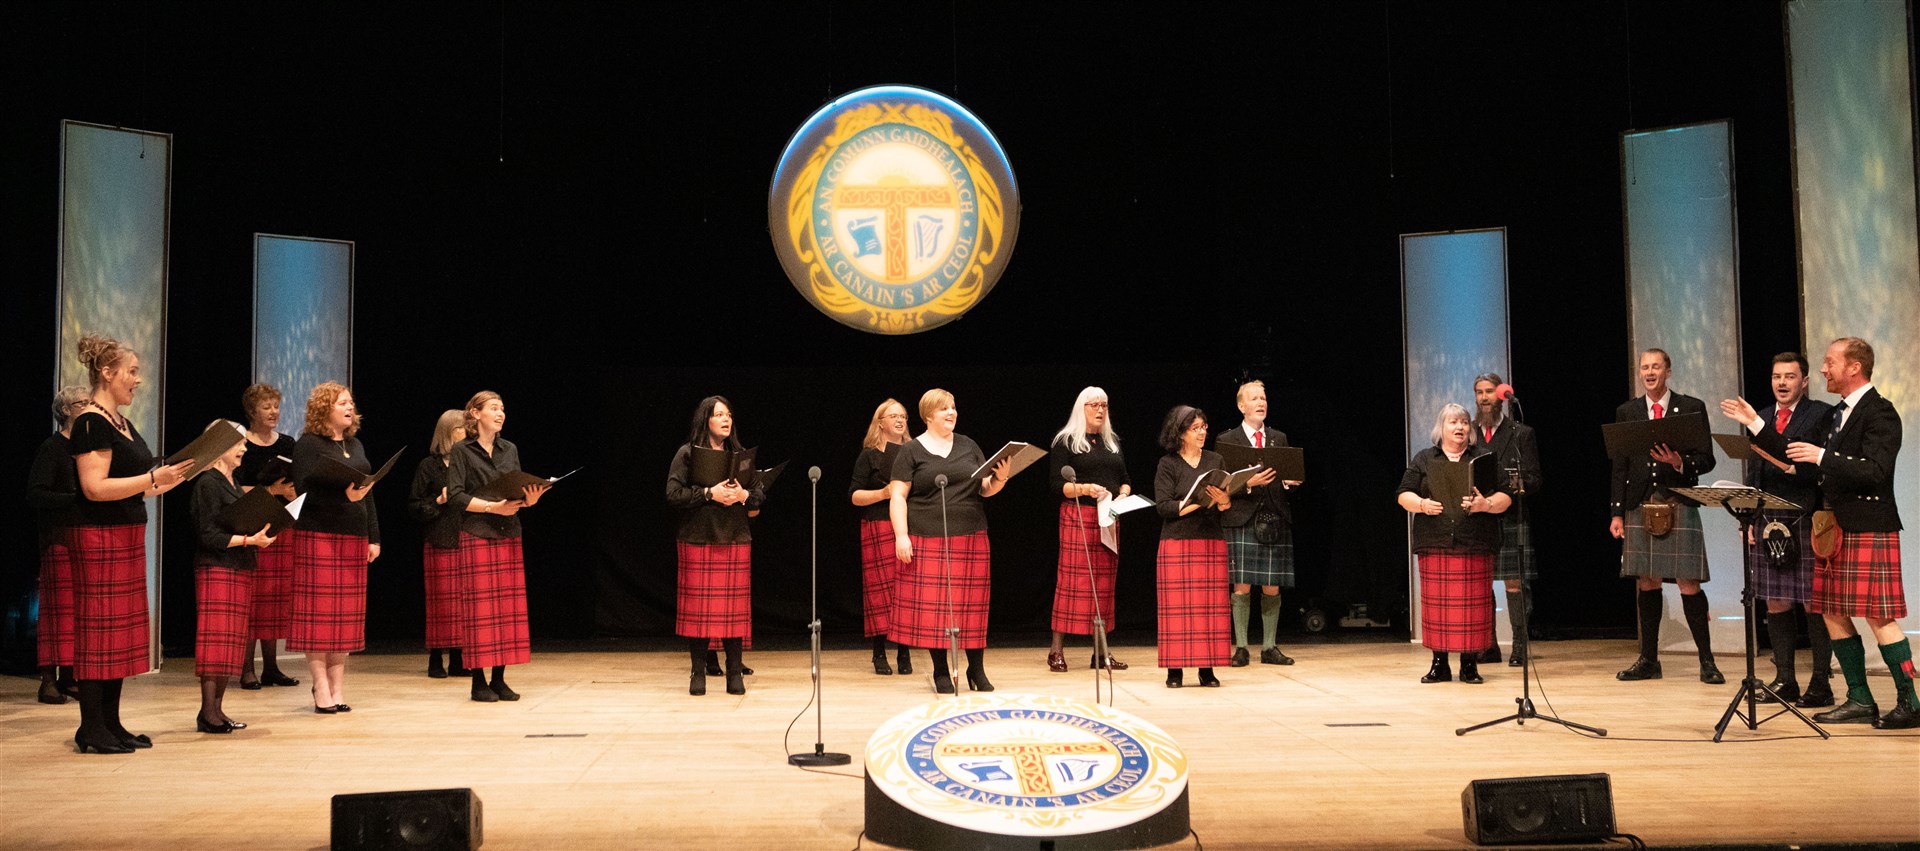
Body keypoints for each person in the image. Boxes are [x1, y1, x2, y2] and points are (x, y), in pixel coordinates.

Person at [1742, 338, 1913, 729]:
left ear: (1854, 367)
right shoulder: (1838, 415)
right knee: (1832, 612)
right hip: (1833, 527)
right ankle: (1859, 698)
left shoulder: (1880, 413)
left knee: (1879, 617)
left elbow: (1875, 471)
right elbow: (1795, 458)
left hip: (1869, 525)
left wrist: (1821, 456)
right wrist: (1756, 423)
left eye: (1829, 362)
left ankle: (1911, 700)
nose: (1823, 369)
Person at [68, 333, 192, 752]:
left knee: (118, 635)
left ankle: (111, 723)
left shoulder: (121, 422)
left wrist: (168, 479)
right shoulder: (90, 421)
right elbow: (94, 487)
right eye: (133, 371)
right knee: (98, 632)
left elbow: (135, 487)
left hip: (125, 532)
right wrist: (152, 479)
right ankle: (91, 728)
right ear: (108, 372)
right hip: (98, 536)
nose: (138, 380)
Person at [1716, 353, 1834, 707]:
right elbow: (1754, 472)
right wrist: (1749, 519)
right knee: (1776, 600)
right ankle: (1785, 680)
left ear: (1805, 380)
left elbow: (1818, 469)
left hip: (1805, 517)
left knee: (1815, 602)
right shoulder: (1763, 416)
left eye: (1790, 376)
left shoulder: (1820, 414)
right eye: (1776, 376)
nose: (1782, 383)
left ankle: (1820, 684)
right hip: (1768, 519)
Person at [889, 388, 1011, 694]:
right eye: (944, 408)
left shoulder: (969, 446)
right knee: (936, 610)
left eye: (954, 407)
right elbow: (898, 496)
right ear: (929, 415)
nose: (952, 413)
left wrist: (1001, 478)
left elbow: (984, 488)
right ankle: (941, 670)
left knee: (972, 606)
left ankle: (976, 670)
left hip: (970, 535)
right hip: (927, 536)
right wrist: (901, 535)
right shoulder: (911, 451)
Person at [1611, 348, 1721, 684]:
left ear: (1668, 371)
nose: (1649, 372)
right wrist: (1616, 513)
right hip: (1639, 505)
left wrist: (1679, 462)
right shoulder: (1627, 411)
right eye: (1644, 367)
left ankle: (1707, 662)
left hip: (1679, 501)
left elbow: (1707, 459)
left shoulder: (1690, 408)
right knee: (1647, 580)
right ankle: (1648, 660)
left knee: (1689, 581)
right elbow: (1620, 465)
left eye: (1656, 366)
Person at [1398, 403, 1511, 684]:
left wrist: (1485, 504)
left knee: (1474, 610)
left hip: (1474, 542)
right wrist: (1422, 504)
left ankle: (1470, 665)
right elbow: (1403, 494)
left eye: (1464, 422)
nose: (1460, 427)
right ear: (1442, 428)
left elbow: (1506, 496)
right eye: (1453, 422)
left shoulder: (1484, 457)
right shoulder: (1425, 459)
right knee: (1438, 610)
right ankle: (1440, 665)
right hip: (1435, 541)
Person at [445, 391, 546, 702]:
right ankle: (478, 681)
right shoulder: (462, 451)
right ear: (475, 414)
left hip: (508, 532)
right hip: (477, 532)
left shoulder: (509, 449)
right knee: (479, 612)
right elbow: (455, 496)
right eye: (493, 408)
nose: (501, 413)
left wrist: (530, 499)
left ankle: (499, 679)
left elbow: (514, 490)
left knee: (505, 611)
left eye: (503, 408)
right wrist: (492, 508)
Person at [289, 382, 381, 714]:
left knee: (345, 618)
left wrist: (374, 536)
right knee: (319, 617)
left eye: (351, 402)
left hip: (353, 535)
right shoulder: (308, 445)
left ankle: (338, 686)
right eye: (342, 402)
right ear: (324, 408)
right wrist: (342, 496)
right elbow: (302, 492)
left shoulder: (355, 444)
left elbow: (367, 492)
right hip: (319, 535)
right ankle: (320, 685)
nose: (349, 406)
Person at [666, 396, 764, 696]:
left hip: (735, 537)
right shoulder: (688, 453)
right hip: (698, 538)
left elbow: (759, 494)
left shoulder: (740, 454)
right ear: (705, 420)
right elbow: (673, 493)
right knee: (698, 614)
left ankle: (735, 671)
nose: (726, 419)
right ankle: (698, 672)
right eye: (719, 414)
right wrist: (710, 493)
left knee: (734, 613)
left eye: (729, 414)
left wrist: (743, 496)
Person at [191, 421, 276, 734]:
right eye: (238, 444)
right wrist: (250, 541)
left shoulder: (232, 480)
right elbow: (207, 535)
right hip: (217, 567)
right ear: (220, 446)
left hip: (239, 567)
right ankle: (207, 713)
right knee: (215, 642)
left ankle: (217, 711)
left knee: (230, 642)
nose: (244, 449)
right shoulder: (207, 483)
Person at [1046, 386, 1133, 673]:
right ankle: (1056, 651)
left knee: (1105, 585)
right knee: (1071, 583)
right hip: (1078, 516)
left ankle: (1101, 653)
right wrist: (1084, 488)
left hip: (1108, 516)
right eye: (1093, 405)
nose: (1099, 410)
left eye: (1104, 405)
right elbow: (1056, 486)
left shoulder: (1112, 442)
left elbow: (1124, 477)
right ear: (1081, 407)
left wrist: (1123, 493)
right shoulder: (1066, 441)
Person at [1152, 405, 1233, 688]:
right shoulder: (1168, 464)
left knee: (1209, 610)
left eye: (1204, 427)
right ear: (1181, 433)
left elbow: (1224, 504)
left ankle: (1206, 670)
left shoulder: (1216, 459)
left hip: (1210, 540)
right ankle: (1174, 671)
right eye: (1195, 428)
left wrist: (1223, 500)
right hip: (1176, 542)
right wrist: (1196, 501)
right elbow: (1163, 507)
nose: (1202, 432)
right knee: (1176, 611)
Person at [1215, 380, 1294, 667]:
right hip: (1241, 517)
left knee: (1272, 585)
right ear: (1241, 405)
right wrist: (1247, 483)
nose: (1261, 403)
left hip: (1274, 518)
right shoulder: (1227, 440)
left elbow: (1286, 478)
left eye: (1264, 397)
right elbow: (1221, 485)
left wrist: (1288, 482)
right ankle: (1241, 648)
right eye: (1254, 398)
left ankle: (1270, 647)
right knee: (1242, 586)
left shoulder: (1279, 438)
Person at [1471, 373, 1542, 667]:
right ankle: (1487, 645)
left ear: (1501, 396)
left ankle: (1519, 646)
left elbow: (1535, 479)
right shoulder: (1470, 432)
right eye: (1479, 392)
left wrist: (1510, 487)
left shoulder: (1520, 433)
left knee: (1514, 582)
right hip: (1477, 516)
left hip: (1511, 513)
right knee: (1481, 580)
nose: (1484, 397)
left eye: (1489, 391)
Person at [233, 383, 299, 691]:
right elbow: (232, 489)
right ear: (251, 411)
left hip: (279, 524)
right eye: (266, 407)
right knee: (253, 601)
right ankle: (247, 669)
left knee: (274, 600)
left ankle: (271, 667)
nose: (273, 412)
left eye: (276, 406)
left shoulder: (287, 443)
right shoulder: (239, 443)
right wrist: (271, 490)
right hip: (249, 525)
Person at [28, 386, 90, 704]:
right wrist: (75, 500)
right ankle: (48, 681)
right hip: (58, 540)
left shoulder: (88, 449)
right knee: (56, 612)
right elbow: (36, 493)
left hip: (84, 540)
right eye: (83, 403)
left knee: (77, 612)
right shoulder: (52, 448)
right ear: (66, 411)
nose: (90, 406)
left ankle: (70, 675)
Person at [849, 399, 912, 676]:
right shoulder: (870, 455)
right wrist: (884, 494)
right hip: (878, 526)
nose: (900, 420)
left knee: (906, 590)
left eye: (904, 416)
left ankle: (905, 651)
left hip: (909, 527)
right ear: (880, 423)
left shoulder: (914, 453)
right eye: (893, 416)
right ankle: (879, 651)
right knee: (879, 592)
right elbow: (854, 496)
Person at [408, 410, 469, 680]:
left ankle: (458, 658)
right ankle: (436, 657)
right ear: (448, 432)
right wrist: (439, 502)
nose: (467, 432)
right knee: (441, 602)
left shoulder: (468, 463)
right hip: (440, 539)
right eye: (461, 428)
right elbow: (414, 506)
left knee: (463, 602)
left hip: (467, 537)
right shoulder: (429, 466)